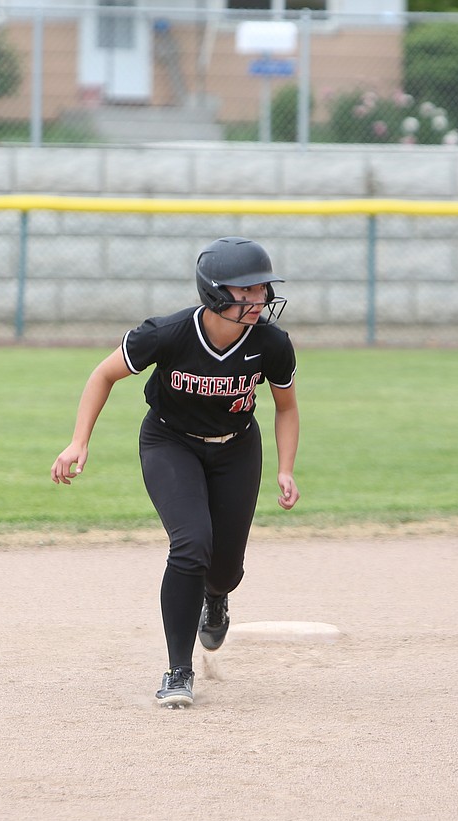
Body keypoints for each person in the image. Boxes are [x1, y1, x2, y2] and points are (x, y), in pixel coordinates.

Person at [50, 237, 301, 709]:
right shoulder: (166, 333)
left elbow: (285, 408)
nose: (257, 299)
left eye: (261, 289)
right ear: (213, 293)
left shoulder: (271, 344)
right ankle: (178, 671)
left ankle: (217, 596)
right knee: (190, 544)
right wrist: (78, 440)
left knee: (225, 568)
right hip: (170, 443)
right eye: (243, 291)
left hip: (236, 450)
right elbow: (102, 375)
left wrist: (286, 469)